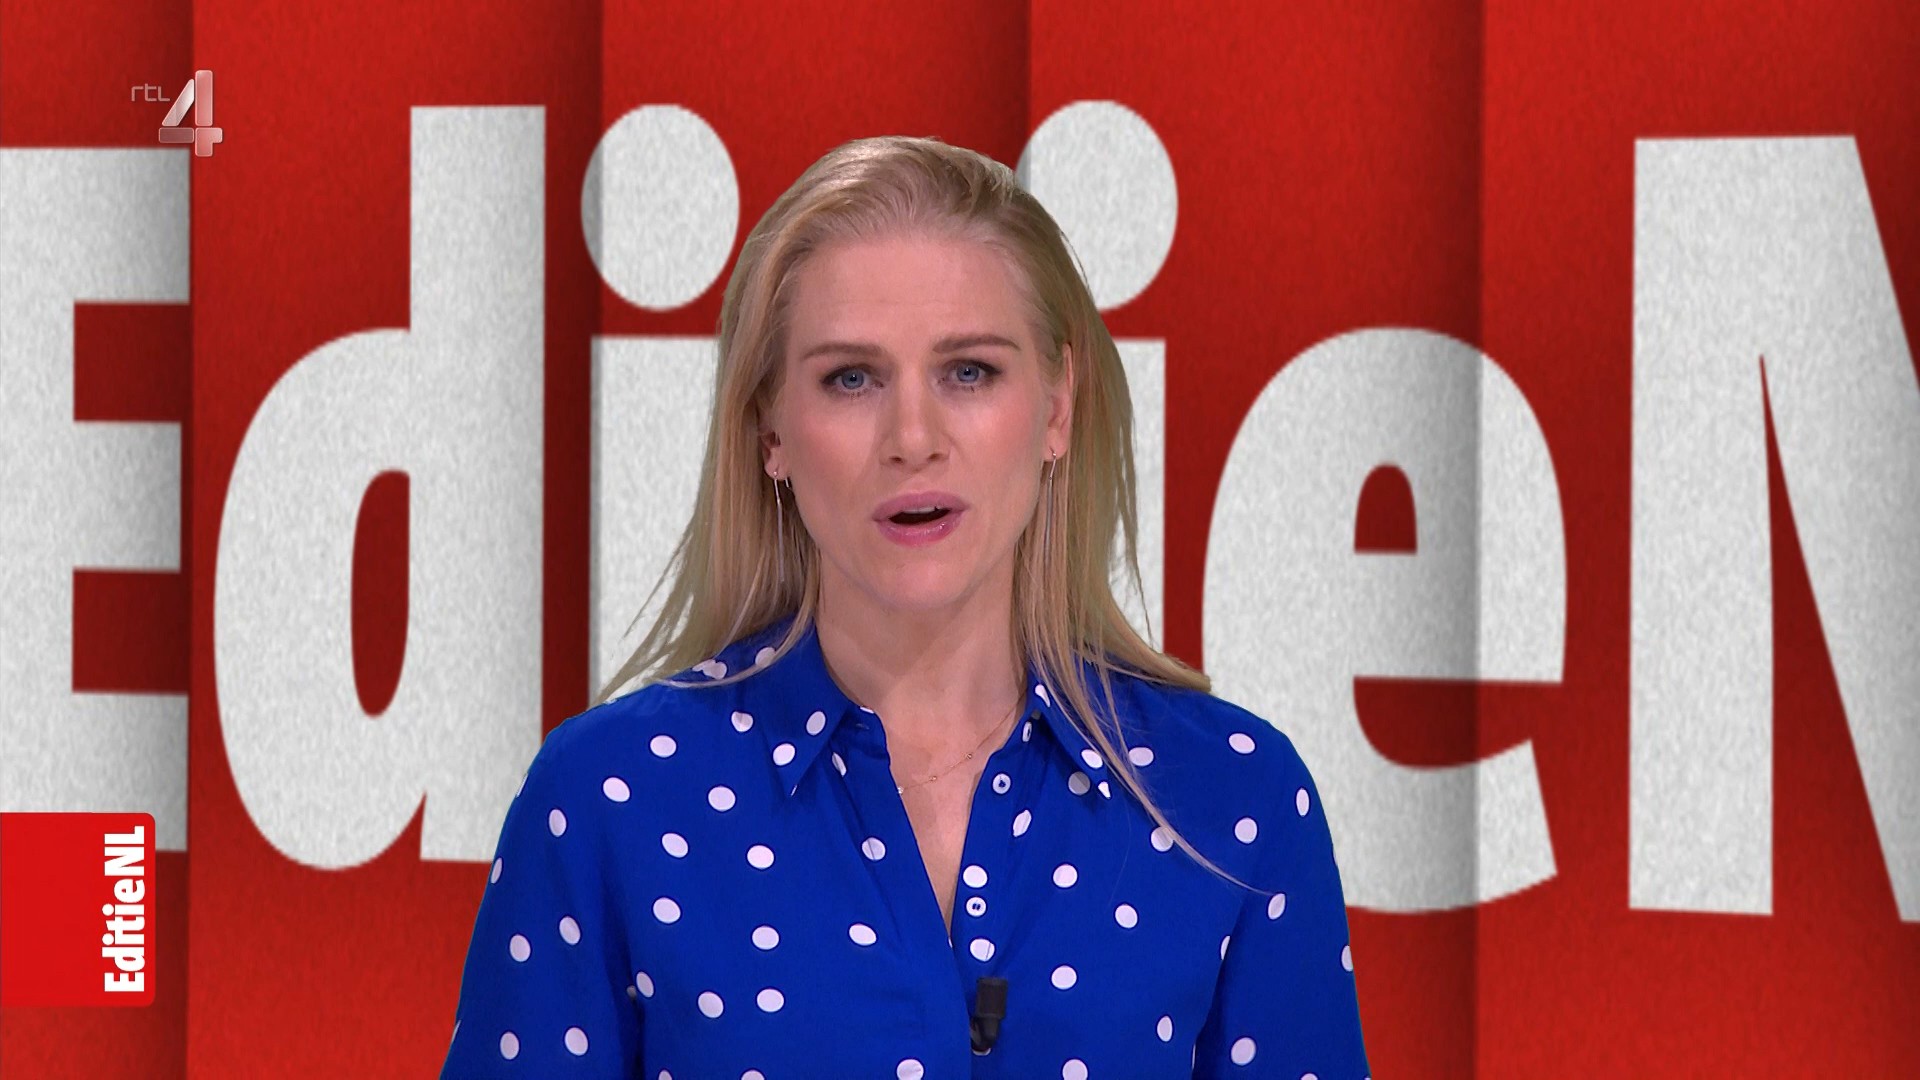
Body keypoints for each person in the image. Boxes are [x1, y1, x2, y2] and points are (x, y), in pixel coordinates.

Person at [440, 134, 1370, 1079]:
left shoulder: (1233, 799)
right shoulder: (608, 800)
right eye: (852, 378)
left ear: (1056, 407)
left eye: (969, 372)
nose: (913, 437)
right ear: (770, 429)